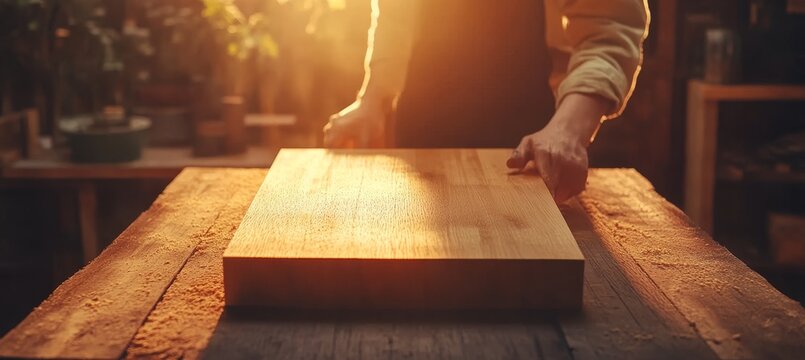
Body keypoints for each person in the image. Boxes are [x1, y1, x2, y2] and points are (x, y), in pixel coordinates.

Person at [323, 0, 649, 203]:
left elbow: (609, 29)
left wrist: (567, 131)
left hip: (528, 153)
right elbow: (394, 14)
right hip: (420, 146)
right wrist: (374, 97)